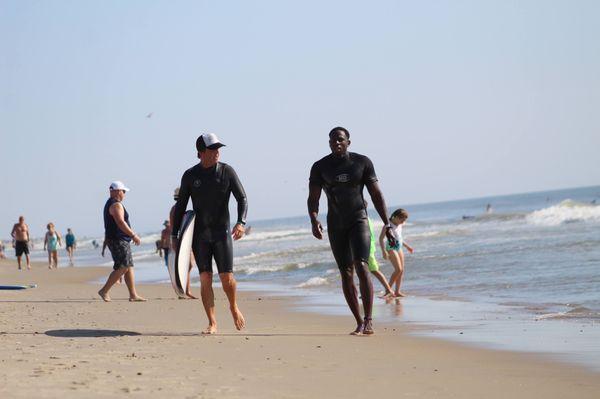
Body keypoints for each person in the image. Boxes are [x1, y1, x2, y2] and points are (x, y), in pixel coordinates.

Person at [308, 127, 397, 336]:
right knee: (345, 272)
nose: (336, 143)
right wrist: (314, 220)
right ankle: (358, 321)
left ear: (348, 142)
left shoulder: (362, 163)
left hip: (359, 220)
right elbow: (313, 198)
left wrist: (388, 225)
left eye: (340, 140)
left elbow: (376, 195)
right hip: (336, 223)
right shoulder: (320, 167)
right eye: (332, 140)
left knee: (361, 265)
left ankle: (368, 319)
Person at [171, 134, 248, 334]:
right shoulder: (190, 175)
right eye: (212, 148)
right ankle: (212, 322)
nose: (217, 152)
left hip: (222, 233)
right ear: (201, 153)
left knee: (226, 278)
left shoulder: (227, 171)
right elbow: (181, 207)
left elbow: (242, 198)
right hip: (200, 234)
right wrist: (174, 235)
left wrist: (241, 222)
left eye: (218, 148)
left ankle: (233, 305)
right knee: (205, 277)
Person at [97, 181, 146, 302]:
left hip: (118, 239)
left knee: (128, 266)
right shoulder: (116, 205)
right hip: (118, 239)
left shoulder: (111, 203)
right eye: (123, 191)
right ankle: (104, 290)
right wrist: (133, 235)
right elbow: (120, 222)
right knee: (123, 266)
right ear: (118, 191)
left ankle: (133, 294)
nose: (124, 194)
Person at [169, 188, 198, 299]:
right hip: (181, 240)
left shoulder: (179, 208)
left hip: (184, 239)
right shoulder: (176, 209)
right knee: (187, 264)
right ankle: (183, 289)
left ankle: (184, 290)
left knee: (187, 265)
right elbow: (173, 226)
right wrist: (174, 240)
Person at [379, 208, 414, 297]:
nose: (402, 223)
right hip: (391, 247)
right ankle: (388, 290)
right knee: (398, 269)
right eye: (401, 220)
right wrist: (383, 251)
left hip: (399, 247)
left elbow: (400, 238)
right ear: (396, 217)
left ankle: (397, 291)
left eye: (404, 221)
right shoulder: (388, 225)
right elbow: (381, 238)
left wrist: (407, 247)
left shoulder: (400, 225)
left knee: (401, 270)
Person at [367, 218, 394, 298]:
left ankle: (389, 290)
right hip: (366, 247)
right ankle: (366, 291)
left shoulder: (363, 218)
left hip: (367, 248)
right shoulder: (364, 217)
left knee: (375, 270)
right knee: (364, 271)